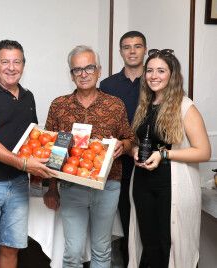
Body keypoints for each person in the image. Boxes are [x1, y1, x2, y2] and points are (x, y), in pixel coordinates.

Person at [43, 45, 135, 268]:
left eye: (89, 68)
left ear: (99, 70)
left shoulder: (115, 104)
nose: (83, 74)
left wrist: (123, 145)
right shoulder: (59, 105)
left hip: (108, 185)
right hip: (71, 186)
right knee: (73, 252)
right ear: (71, 74)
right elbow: (50, 149)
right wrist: (51, 187)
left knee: (101, 249)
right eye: (77, 69)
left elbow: (130, 138)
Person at [0, 40, 56, 268]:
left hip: (17, 184)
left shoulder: (28, 96)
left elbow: (32, 141)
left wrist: (39, 174)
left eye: (17, 62)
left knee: (11, 248)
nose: (11, 67)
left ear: (24, 66)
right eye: (5, 61)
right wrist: (24, 164)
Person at [128, 49, 211, 268]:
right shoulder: (145, 105)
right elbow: (141, 140)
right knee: (149, 243)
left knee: (169, 244)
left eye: (161, 71)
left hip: (171, 185)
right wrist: (134, 150)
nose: (154, 76)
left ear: (172, 75)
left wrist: (165, 154)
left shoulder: (185, 107)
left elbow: (204, 151)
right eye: (150, 70)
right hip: (143, 183)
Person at [99, 30, 147, 266]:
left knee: (148, 221)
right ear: (120, 52)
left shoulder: (155, 80)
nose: (132, 51)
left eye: (137, 46)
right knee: (123, 220)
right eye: (127, 47)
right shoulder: (107, 84)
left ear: (144, 50)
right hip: (117, 163)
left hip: (149, 160)